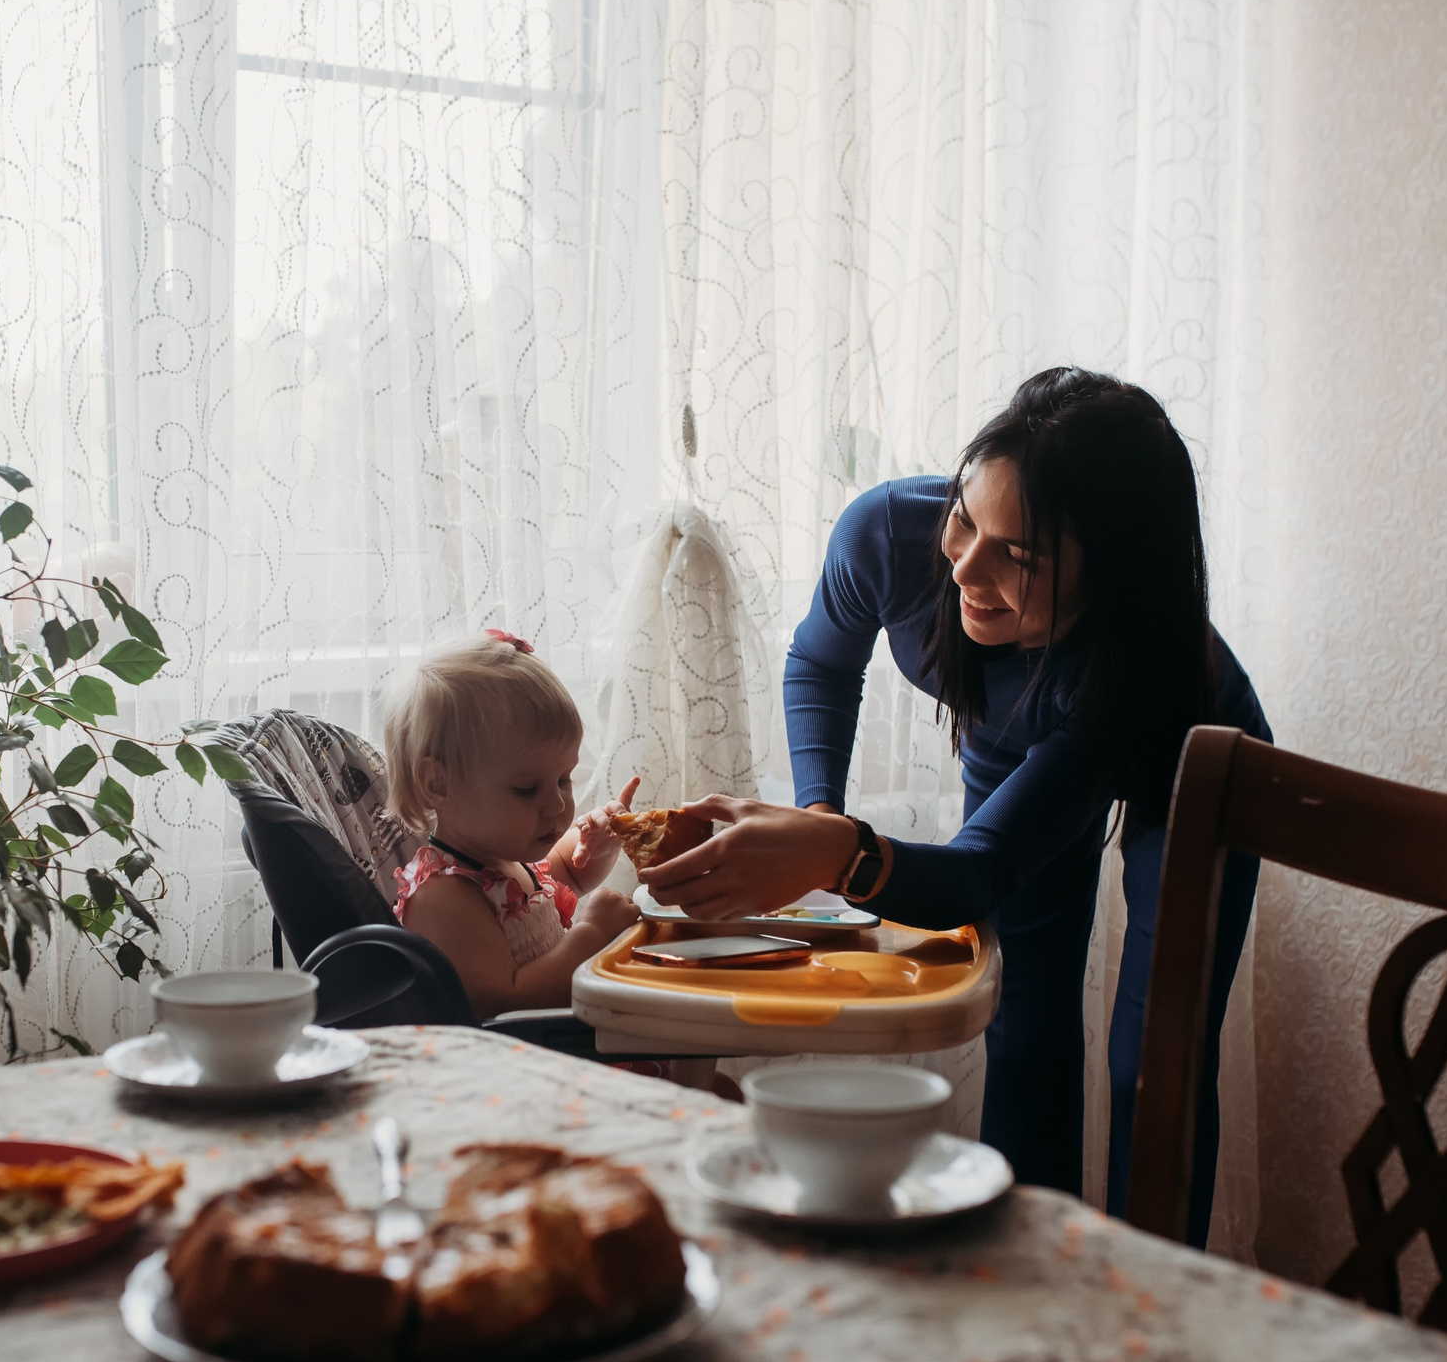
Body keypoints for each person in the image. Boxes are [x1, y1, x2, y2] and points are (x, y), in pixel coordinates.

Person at [639, 368, 1266, 1246]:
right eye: (967, 520)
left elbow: (975, 875)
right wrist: (821, 815)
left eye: (1020, 555)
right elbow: (821, 663)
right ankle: (1025, 1276)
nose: (964, 567)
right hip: (1025, 730)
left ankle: (1149, 1305)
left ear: (1108, 577)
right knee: (1026, 1024)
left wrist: (832, 853)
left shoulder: (1122, 676)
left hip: (1183, 754)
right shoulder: (888, 532)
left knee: (1152, 1067)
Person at [385, 631, 644, 1017]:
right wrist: (594, 935)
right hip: (530, 1064)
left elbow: (570, 874)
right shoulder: (445, 897)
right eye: (527, 789)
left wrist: (600, 845)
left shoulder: (505, 858)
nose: (557, 804)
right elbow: (511, 1003)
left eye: (563, 779)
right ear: (439, 784)